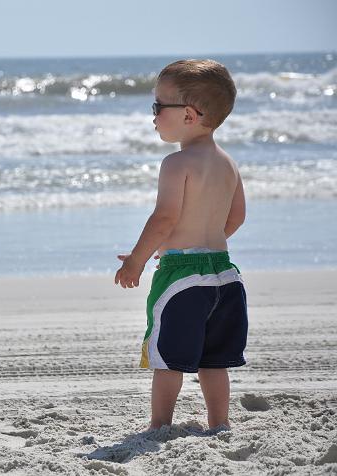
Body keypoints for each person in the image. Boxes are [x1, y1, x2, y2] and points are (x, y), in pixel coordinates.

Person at [114, 59, 247, 431]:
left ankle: (159, 424)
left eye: (157, 106)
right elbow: (235, 218)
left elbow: (164, 219)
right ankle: (219, 423)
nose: (153, 116)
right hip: (224, 275)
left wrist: (139, 260)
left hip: (181, 277)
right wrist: (201, 240)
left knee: (168, 359)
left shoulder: (176, 163)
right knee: (214, 359)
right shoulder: (228, 163)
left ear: (189, 115)